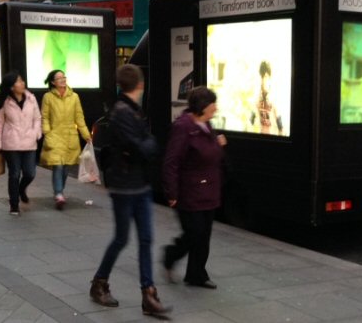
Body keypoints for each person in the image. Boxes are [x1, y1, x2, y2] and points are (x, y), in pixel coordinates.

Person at [90, 65, 171, 316]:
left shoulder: (132, 110)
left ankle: (149, 294)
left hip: (139, 184)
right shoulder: (123, 112)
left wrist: (147, 144)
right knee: (122, 238)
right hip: (125, 187)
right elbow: (142, 147)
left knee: (145, 239)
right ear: (140, 85)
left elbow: (143, 145)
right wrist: (149, 143)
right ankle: (99, 283)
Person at [162, 86, 226, 289]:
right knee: (194, 234)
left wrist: (218, 145)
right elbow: (171, 161)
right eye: (213, 104)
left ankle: (197, 274)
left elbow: (211, 154)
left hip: (209, 190)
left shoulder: (207, 125)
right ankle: (171, 255)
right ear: (203, 106)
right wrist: (171, 192)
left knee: (204, 235)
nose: (216, 108)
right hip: (189, 191)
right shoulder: (183, 127)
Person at [40, 69, 91, 209]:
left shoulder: (74, 97)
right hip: (55, 135)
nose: (63, 79)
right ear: (53, 82)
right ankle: (58, 193)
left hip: (70, 136)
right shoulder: (48, 97)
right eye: (59, 78)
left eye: (64, 77)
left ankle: (59, 191)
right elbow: (45, 117)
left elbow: (79, 118)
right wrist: (47, 132)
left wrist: (86, 135)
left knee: (66, 167)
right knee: (58, 165)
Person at [0, 71, 42, 216]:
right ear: (11, 87)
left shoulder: (31, 98)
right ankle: (14, 205)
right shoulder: (5, 102)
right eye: (19, 81)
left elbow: (37, 118)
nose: (22, 83)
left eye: (22, 80)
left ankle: (21, 189)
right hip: (11, 143)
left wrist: (36, 133)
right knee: (14, 174)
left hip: (29, 142)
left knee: (30, 173)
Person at [250, 60, 283, 135]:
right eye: (262, 77)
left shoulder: (274, 97)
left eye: (266, 77)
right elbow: (251, 122)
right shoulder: (257, 97)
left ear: (269, 78)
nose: (263, 80)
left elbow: (280, 126)